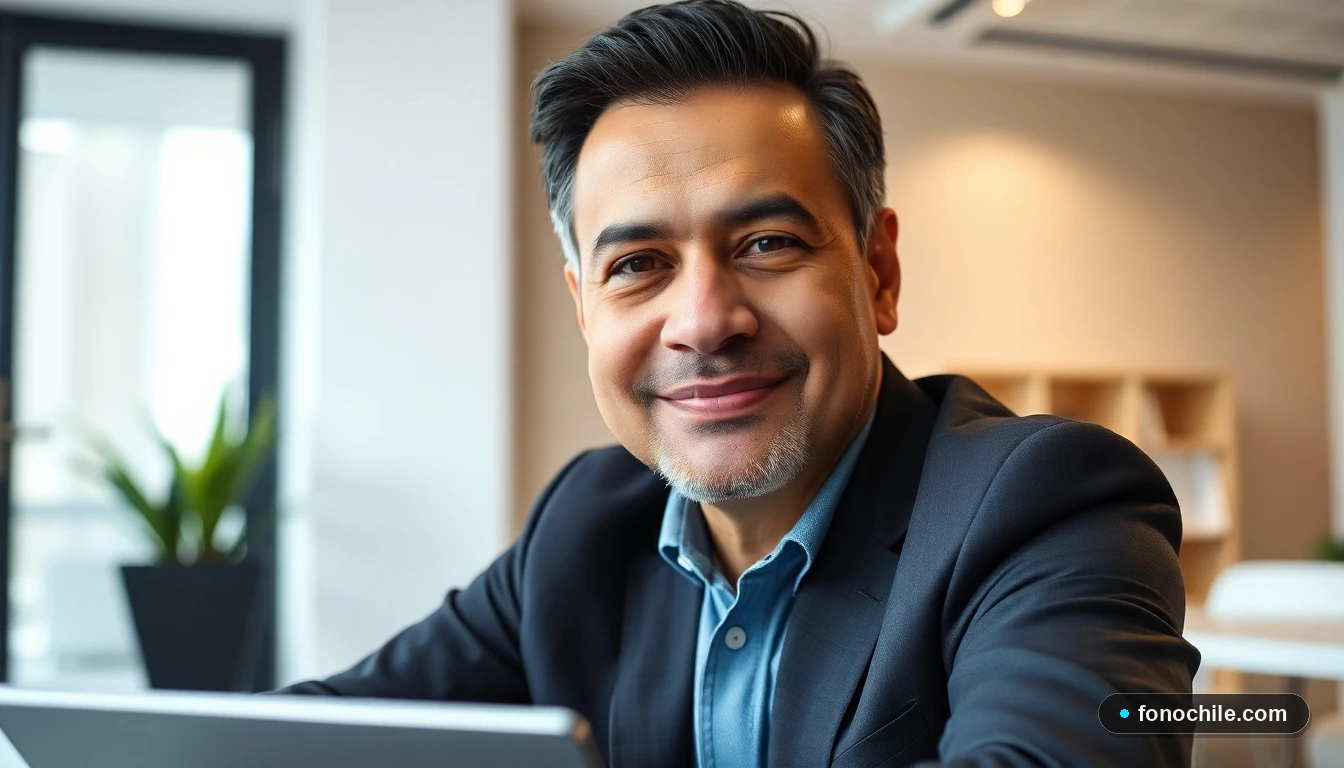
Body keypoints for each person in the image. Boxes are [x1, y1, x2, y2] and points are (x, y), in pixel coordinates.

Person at [280, 2, 1199, 765]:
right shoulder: (584, 525)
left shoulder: (1052, 506)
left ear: (879, 273)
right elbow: (303, 742)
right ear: (585, 310)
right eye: (638, 263)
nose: (704, 319)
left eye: (767, 244)